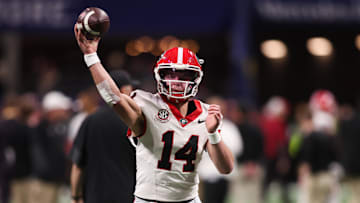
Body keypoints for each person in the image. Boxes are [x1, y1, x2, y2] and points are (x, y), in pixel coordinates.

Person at [74, 25, 234, 203]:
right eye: (171, 75)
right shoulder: (145, 104)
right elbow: (113, 97)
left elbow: (225, 168)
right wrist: (91, 56)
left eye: (184, 76)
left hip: (189, 199)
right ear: (160, 75)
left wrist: (213, 134)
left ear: (196, 78)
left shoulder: (205, 113)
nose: (177, 82)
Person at [69, 70, 138, 203]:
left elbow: (77, 165)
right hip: (129, 196)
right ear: (123, 90)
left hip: (95, 196)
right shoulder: (135, 121)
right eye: (131, 89)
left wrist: (75, 196)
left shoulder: (90, 120)